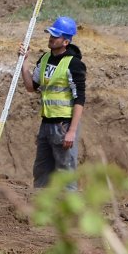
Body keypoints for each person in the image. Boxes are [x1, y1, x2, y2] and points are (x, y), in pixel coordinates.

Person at [23, 15, 86, 189]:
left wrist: (72, 131)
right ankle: (40, 212)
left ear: (65, 41)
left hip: (63, 125)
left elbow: (79, 99)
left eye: (55, 36)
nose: (51, 38)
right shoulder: (44, 59)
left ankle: (70, 213)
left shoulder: (74, 64)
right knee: (41, 172)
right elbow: (31, 87)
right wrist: (24, 62)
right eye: (51, 35)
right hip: (46, 125)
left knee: (66, 174)